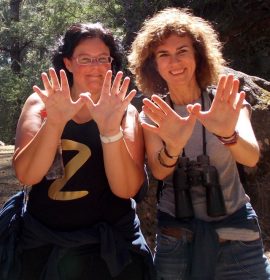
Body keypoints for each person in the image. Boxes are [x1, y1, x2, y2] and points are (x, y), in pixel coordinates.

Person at [128, 7, 270, 280]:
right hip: (176, 233)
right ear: (153, 64)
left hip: (236, 229)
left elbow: (250, 158)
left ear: (198, 55)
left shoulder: (225, 104)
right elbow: (159, 172)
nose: (175, 61)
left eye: (182, 51)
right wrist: (173, 147)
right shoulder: (154, 113)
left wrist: (227, 134)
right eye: (163, 54)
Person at [4, 22, 154, 280]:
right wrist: (55, 122)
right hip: (43, 246)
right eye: (85, 59)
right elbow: (27, 175)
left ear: (111, 63)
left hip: (111, 252)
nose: (96, 67)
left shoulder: (124, 110)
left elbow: (126, 189)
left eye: (103, 59)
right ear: (68, 63)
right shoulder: (42, 103)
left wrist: (109, 129)